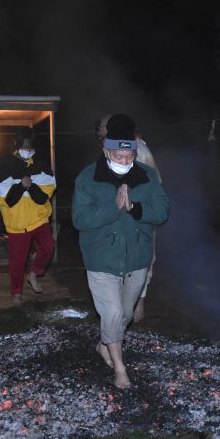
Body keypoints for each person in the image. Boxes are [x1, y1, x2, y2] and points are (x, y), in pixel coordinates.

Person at [73, 113, 169, 388]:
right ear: (106, 151)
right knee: (113, 313)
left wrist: (136, 208)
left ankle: (106, 343)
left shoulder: (148, 177)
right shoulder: (88, 178)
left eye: (129, 157)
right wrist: (113, 208)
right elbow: (80, 219)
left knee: (125, 315)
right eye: (118, 156)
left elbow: (163, 210)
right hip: (101, 258)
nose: (125, 161)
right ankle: (119, 368)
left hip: (137, 259)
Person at [96, 116, 162, 322]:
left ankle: (135, 307)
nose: (99, 133)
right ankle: (128, 308)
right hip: (124, 216)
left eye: (101, 128)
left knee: (139, 257)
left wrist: (133, 206)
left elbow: (152, 185)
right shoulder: (113, 151)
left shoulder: (137, 152)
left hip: (137, 214)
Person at [0, 127, 56, 305]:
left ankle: (34, 273)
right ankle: (17, 292)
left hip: (38, 217)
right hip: (17, 222)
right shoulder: (5, 164)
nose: (27, 149)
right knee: (18, 260)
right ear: (16, 144)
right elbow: (5, 197)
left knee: (49, 246)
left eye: (29, 146)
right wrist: (21, 186)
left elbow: (47, 191)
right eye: (24, 145)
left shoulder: (41, 163)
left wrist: (31, 186)